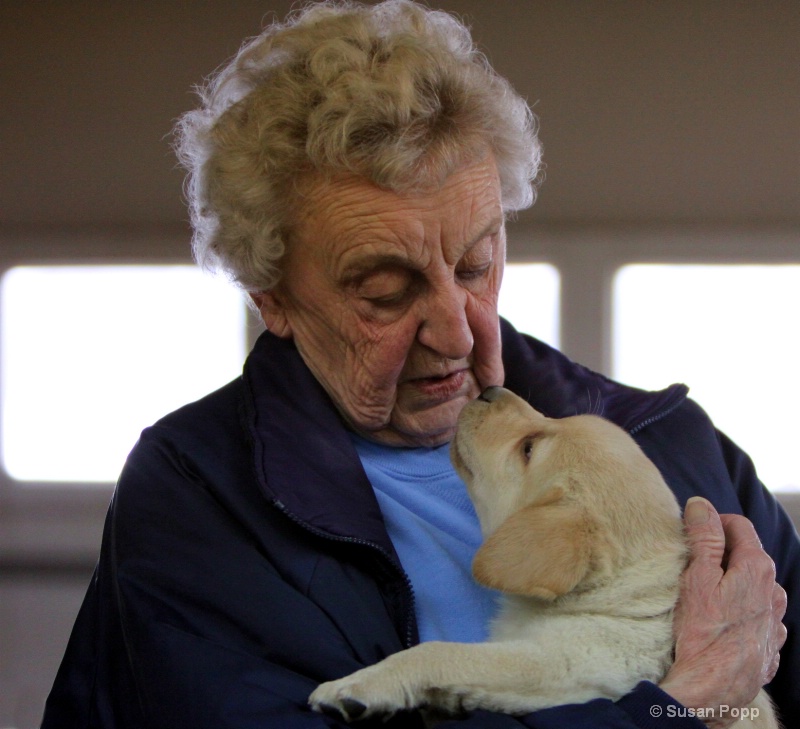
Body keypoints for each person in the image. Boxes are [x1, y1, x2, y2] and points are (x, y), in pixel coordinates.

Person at [42, 2, 797, 727]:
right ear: (272, 297)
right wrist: (676, 708)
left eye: (476, 264)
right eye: (385, 290)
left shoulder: (672, 441)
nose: (458, 335)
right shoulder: (198, 495)